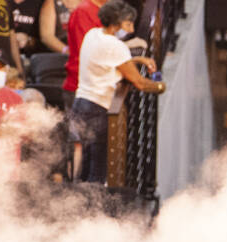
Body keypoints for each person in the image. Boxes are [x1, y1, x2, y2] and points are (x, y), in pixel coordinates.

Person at [69, 0, 162, 183]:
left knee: (85, 165)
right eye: (128, 24)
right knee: (98, 168)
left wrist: (137, 60)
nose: (131, 29)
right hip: (97, 106)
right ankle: (94, 208)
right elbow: (139, 82)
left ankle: (78, 205)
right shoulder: (116, 46)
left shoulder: (92, 34)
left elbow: (107, 58)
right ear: (116, 23)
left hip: (81, 103)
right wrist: (160, 86)